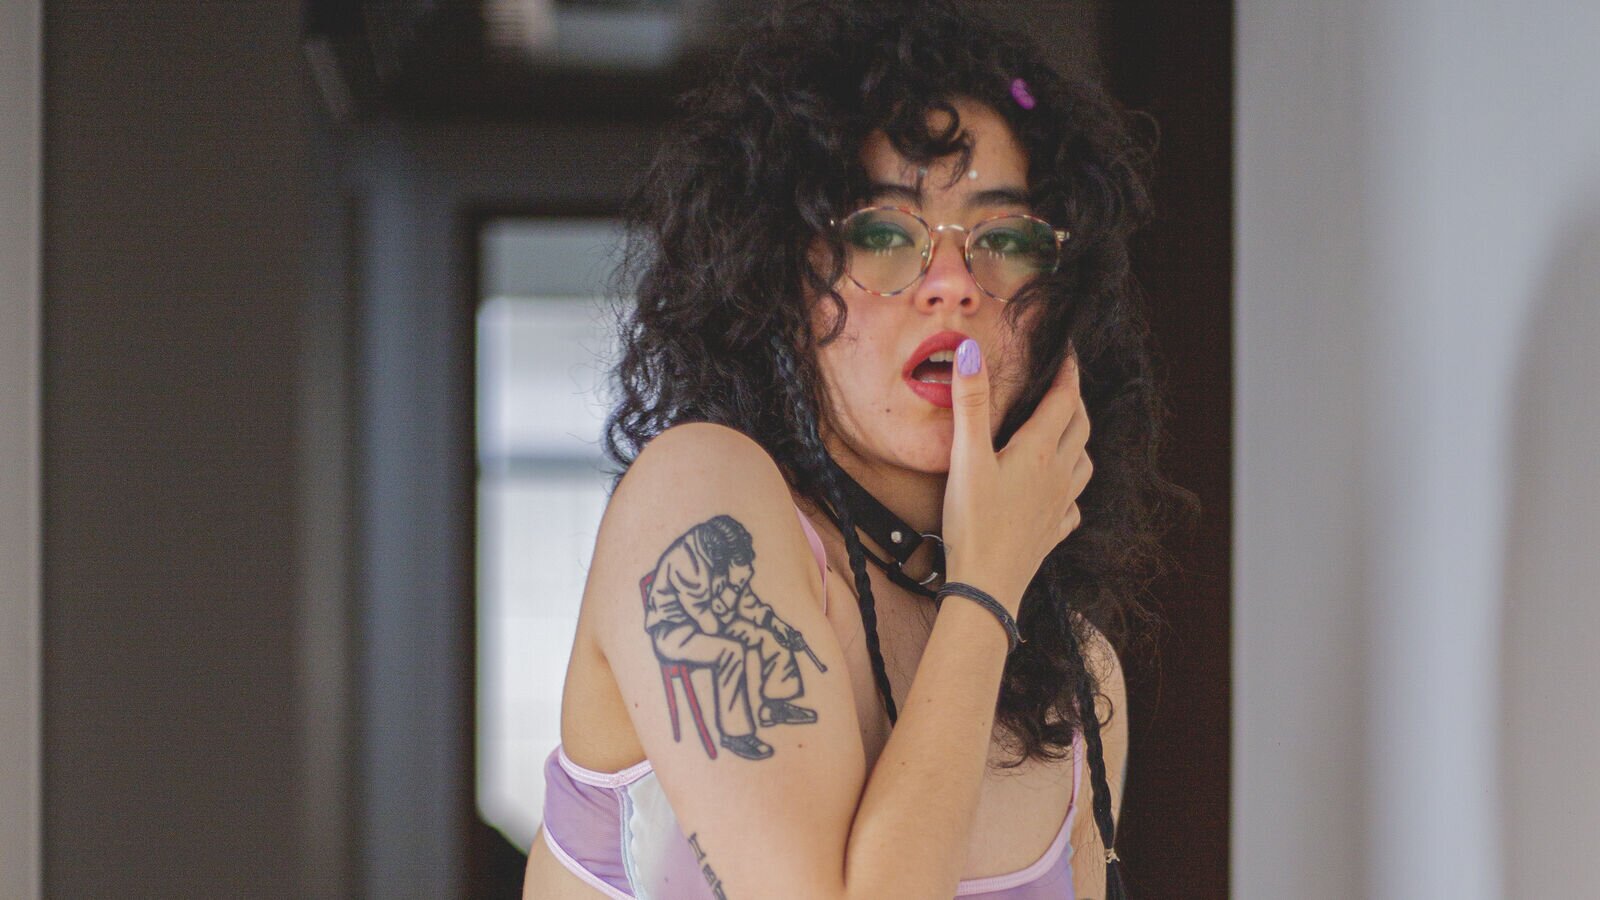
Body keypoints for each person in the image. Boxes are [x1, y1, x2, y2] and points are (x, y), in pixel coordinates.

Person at [523, 1, 1198, 897]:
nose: (953, 284)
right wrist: (988, 587)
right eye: (882, 234)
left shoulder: (1071, 680)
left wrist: (993, 590)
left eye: (1004, 239)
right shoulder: (699, 505)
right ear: (774, 276)